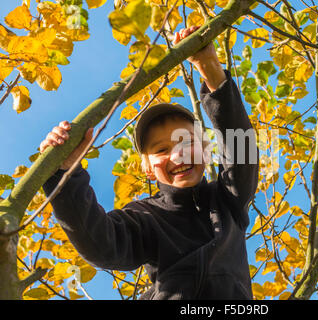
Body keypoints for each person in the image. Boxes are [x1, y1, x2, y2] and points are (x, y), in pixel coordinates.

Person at [40, 26, 259, 300]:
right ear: (146, 167)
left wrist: (209, 66)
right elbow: (101, 243)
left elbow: (243, 151)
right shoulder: (146, 216)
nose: (178, 156)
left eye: (186, 143)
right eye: (162, 149)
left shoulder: (227, 200)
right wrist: (65, 172)